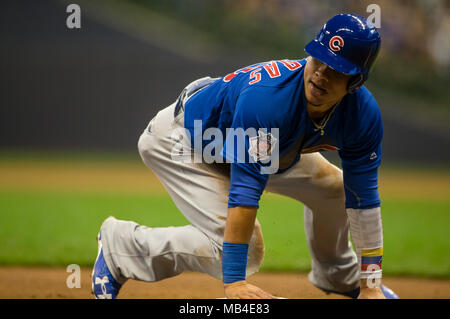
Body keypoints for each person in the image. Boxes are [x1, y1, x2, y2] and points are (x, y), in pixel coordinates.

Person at [91, 13, 399, 299]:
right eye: (318, 59)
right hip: (185, 141)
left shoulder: (363, 116)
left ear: (355, 81)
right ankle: (121, 246)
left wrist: (370, 286)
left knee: (336, 190)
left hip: (265, 147)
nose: (321, 74)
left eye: (337, 70)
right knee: (246, 250)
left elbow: (364, 199)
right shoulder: (269, 101)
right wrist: (234, 282)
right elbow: (245, 192)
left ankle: (338, 276)